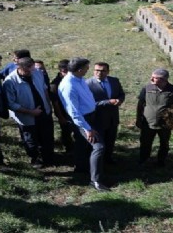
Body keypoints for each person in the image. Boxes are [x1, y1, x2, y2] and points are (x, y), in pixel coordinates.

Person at [58, 57, 109, 191]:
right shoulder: (68, 86)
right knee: (98, 146)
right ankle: (96, 181)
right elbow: (74, 112)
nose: (88, 70)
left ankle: (81, 168)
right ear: (80, 70)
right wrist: (87, 129)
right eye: (87, 68)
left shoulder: (79, 79)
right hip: (83, 120)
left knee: (81, 144)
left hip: (91, 116)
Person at [4, 57, 55, 167]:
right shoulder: (10, 81)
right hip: (26, 116)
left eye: (32, 69)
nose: (31, 72)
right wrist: (30, 112)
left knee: (47, 136)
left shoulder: (37, 73)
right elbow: (11, 103)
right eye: (28, 70)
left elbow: (44, 88)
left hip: (43, 112)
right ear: (19, 67)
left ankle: (48, 157)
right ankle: (35, 158)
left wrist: (48, 106)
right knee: (30, 139)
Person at [136, 68, 173, 167]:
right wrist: (138, 119)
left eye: (155, 78)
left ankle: (161, 161)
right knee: (145, 143)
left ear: (163, 79)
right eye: (152, 77)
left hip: (165, 123)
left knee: (164, 143)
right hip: (148, 122)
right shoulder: (147, 88)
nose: (152, 79)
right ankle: (143, 160)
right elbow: (140, 105)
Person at [86, 62, 125, 164]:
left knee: (110, 141)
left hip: (113, 118)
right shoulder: (88, 84)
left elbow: (121, 94)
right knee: (99, 144)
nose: (99, 73)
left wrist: (120, 100)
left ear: (108, 71)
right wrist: (108, 102)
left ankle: (108, 159)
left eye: (103, 71)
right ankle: (98, 163)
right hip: (97, 119)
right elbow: (89, 103)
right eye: (97, 70)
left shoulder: (114, 81)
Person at [50, 59, 74, 153]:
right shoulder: (55, 84)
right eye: (66, 71)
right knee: (66, 132)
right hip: (63, 112)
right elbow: (55, 103)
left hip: (74, 110)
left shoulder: (73, 79)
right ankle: (69, 149)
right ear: (61, 70)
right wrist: (60, 117)